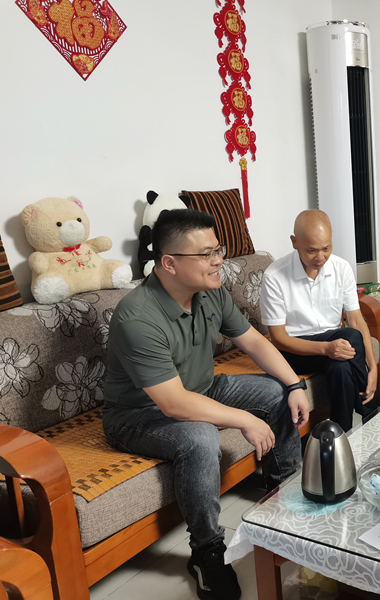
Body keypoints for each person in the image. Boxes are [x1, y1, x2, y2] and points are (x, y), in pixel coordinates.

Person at [103, 209, 309, 600]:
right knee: (199, 438)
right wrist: (244, 419)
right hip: (138, 415)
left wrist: (294, 384)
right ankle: (207, 552)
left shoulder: (210, 290)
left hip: (201, 388)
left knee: (277, 392)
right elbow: (174, 404)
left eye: (218, 250)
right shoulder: (137, 317)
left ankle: (284, 496)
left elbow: (254, 342)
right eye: (206, 254)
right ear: (169, 263)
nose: (218, 261)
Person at [260, 209, 378, 432]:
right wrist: (326, 348)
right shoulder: (274, 276)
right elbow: (279, 339)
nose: (320, 257)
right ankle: (370, 414)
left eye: (326, 248)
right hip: (294, 351)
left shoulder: (341, 268)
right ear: (294, 242)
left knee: (340, 368)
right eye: (312, 250)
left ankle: (341, 436)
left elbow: (355, 319)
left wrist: (373, 368)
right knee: (350, 336)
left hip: (332, 342)